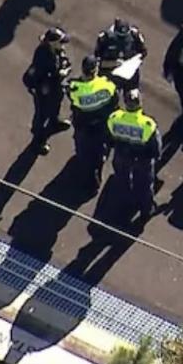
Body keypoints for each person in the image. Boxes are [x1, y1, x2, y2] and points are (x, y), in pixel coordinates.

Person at [106, 89, 162, 218]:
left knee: (122, 179)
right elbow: (156, 145)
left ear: (125, 103)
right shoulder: (147, 124)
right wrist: (156, 157)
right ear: (140, 103)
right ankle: (146, 209)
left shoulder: (115, 118)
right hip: (142, 159)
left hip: (122, 154)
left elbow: (109, 137)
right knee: (144, 185)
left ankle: (125, 204)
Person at [68, 55, 118, 187]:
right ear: (96, 70)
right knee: (99, 155)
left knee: (83, 154)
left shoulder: (74, 88)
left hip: (83, 127)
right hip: (101, 128)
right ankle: (95, 179)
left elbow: (72, 100)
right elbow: (114, 103)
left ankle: (85, 176)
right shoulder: (107, 86)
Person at [94, 18, 148, 88]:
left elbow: (143, 52)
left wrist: (135, 61)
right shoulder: (104, 38)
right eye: (120, 37)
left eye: (125, 36)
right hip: (109, 73)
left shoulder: (135, 36)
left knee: (133, 96)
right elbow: (97, 61)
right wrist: (112, 63)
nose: (123, 39)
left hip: (129, 73)